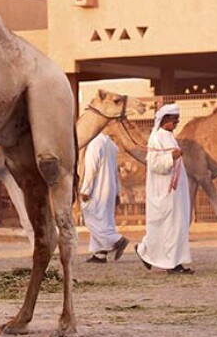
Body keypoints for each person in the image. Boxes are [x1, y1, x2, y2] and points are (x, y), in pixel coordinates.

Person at [135, 103, 193, 274]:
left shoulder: (170, 137)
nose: (177, 122)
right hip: (163, 191)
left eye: (177, 119)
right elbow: (154, 164)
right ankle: (171, 263)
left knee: (177, 226)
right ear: (165, 119)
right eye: (174, 119)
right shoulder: (156, 138)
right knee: (166, 227)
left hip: (176, 192)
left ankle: (166, 258)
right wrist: (171, 157)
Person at [80, 132, 128, 263]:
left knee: (91, 218)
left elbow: (91, 168)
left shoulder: (95, 143)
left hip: (97, 189)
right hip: (110, 188)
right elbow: (115, 171)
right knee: (105, 220)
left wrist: (86, 190)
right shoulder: (111, 144)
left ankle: (117, 240)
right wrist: (117, 192)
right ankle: (100, 254)